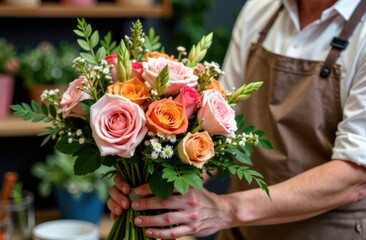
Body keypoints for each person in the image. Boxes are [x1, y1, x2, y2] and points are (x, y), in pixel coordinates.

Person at [107, 0, 366, 239]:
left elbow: (353, 174)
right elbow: (221, 123)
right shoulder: (262, 9)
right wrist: (159, 187)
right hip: (242, 233)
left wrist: (227, 209)